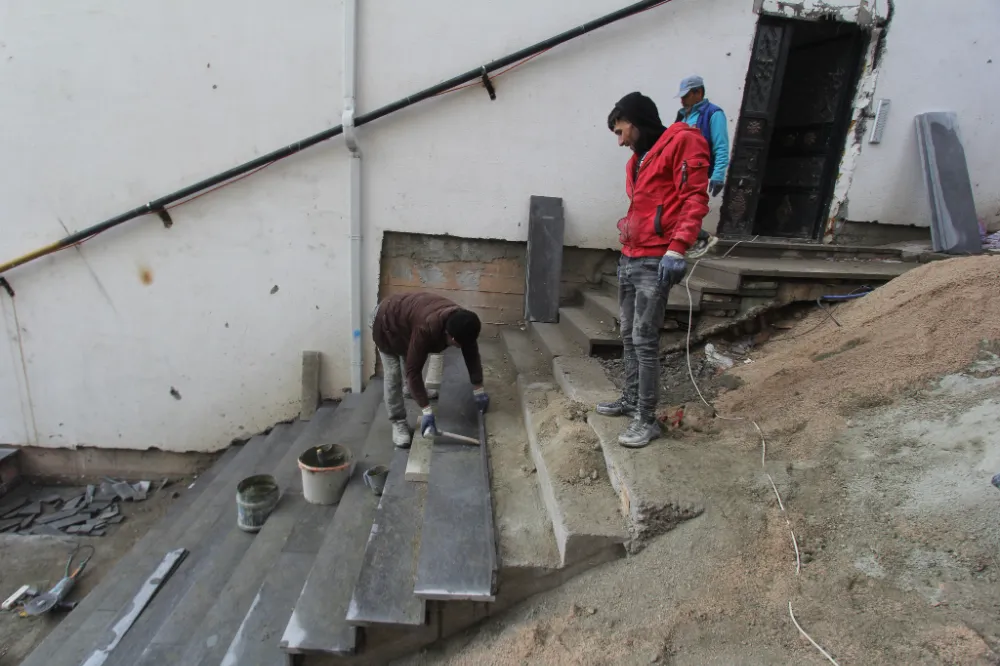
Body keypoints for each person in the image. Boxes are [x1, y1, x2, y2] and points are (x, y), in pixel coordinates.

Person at [601, 92, 710, 448]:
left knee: (645, 340)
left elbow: (694, 196)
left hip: (655, 260)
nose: (619, 141)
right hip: (631, 257)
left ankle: (646, 419)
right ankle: (631, 399)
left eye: (621, 132)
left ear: (636, 121)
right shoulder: (637, 161)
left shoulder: (684, 141)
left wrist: (678, 247)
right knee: (629, 336)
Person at [371, 292, 490, 447]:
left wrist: (478, 389)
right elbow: (413, 372)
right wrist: (427, 411)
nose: (460, 347)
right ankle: (398, 421)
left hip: (405, 321)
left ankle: (410, 390)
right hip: (385, 322)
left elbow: (471, 354)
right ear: (451, 337)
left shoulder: (463, 323)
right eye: (458, 345)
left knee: (410, 360)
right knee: (394, 374)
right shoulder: (426, 328)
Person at [674, 75, 729, 259]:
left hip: (696, 171)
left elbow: (721, 146)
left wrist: (718, 174)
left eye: (686, 95)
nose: (682, 100)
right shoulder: (683, 115)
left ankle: (703, 238)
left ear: (699, 92)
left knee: (686, 209)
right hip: (678, 170)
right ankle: (695, 239)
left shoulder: (713, 114)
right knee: (671, 207)